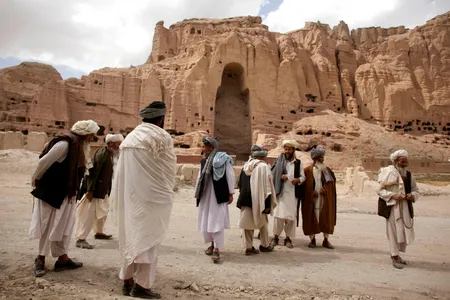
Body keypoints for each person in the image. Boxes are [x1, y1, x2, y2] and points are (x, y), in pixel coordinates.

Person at [111, 101, 176, 298]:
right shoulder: (161, 137)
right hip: (152, 200)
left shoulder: (131, 137)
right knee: (148, 240)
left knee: (130, 236)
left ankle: (127, 280)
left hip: (129, 198)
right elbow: (167, 170)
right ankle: (141, 286)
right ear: (161, 119)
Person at [29, 120, 99, 277]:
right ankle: (40, 259)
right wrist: (35, 179)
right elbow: (44, 161)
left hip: (66, 194)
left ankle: (62, 259)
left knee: (64, 226)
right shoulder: (65, 144)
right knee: (49, 226)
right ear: (86, 134)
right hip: (53, 193)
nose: (94, 138)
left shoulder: (78, 146)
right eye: (92, 134)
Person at [75, 133, 124, 249]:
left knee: (103, 211)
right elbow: (93, 174)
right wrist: (90, 190)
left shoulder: (111, 154)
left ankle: (99, 232)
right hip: (96, 190)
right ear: (111, 144)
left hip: (104, 189)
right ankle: (81, 238)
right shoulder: (102, 154)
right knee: (90, 214)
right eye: (118, 144)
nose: (119, 146)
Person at [194, 136, 235, 263]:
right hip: (206, 196)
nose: (203, 149)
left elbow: (229, 175)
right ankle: (212, 245)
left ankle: (217, 249)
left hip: (218, 195)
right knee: (208, 221)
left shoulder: (223, 160)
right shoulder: (204, 161)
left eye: (205, 146)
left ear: (211, 147)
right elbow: (200, 178)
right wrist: (197, 193)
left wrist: (231, 193)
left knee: (216, 221)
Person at [377, 150, 419, 269]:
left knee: (402, 232)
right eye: (402, 161)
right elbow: (379, 190)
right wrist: (393, 195)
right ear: (395, 162)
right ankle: (394, 256)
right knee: (393, 232)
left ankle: (397, 255)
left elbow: (416, 190)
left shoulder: (409, 175)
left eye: (406, 161)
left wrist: (412, 196)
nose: (404, 163)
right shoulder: (388, 173)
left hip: (405, 207)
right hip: (392, 207)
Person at [237, 145, 276, 255]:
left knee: (247, 225)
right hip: (260, 200)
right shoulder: (264, 167)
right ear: (263, 157)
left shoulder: (246, 166)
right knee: (263, 223)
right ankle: (265, 245)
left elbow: (240, 183)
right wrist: (267, 203)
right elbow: (267, 188)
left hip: (246, 199)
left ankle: (248, 248)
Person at [271, 140, 305, 248]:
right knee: (278, 216)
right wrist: (280, 177)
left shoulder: (298, 163)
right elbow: (273, 172)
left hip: (292, 194)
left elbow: (303, 177)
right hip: (280, 193)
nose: (287, 151)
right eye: (285, 149)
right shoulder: (279, 161)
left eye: (289, 149)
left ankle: (288, 239)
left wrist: (297, 180)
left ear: (293, 150)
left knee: (290, 217)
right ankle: (276, 237)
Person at [302, 146, 337, 249]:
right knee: (312, 217)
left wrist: (325, 189)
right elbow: (303, 186)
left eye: (323, 157)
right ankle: (312, 240)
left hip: (324, 199)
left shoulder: (326, 170)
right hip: (312, 200)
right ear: (315, 158)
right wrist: (310, 192)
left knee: (326, 217)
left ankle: (326, 240)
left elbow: (331, 184)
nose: (323, 159)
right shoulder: (307, 171)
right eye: (321, 157)